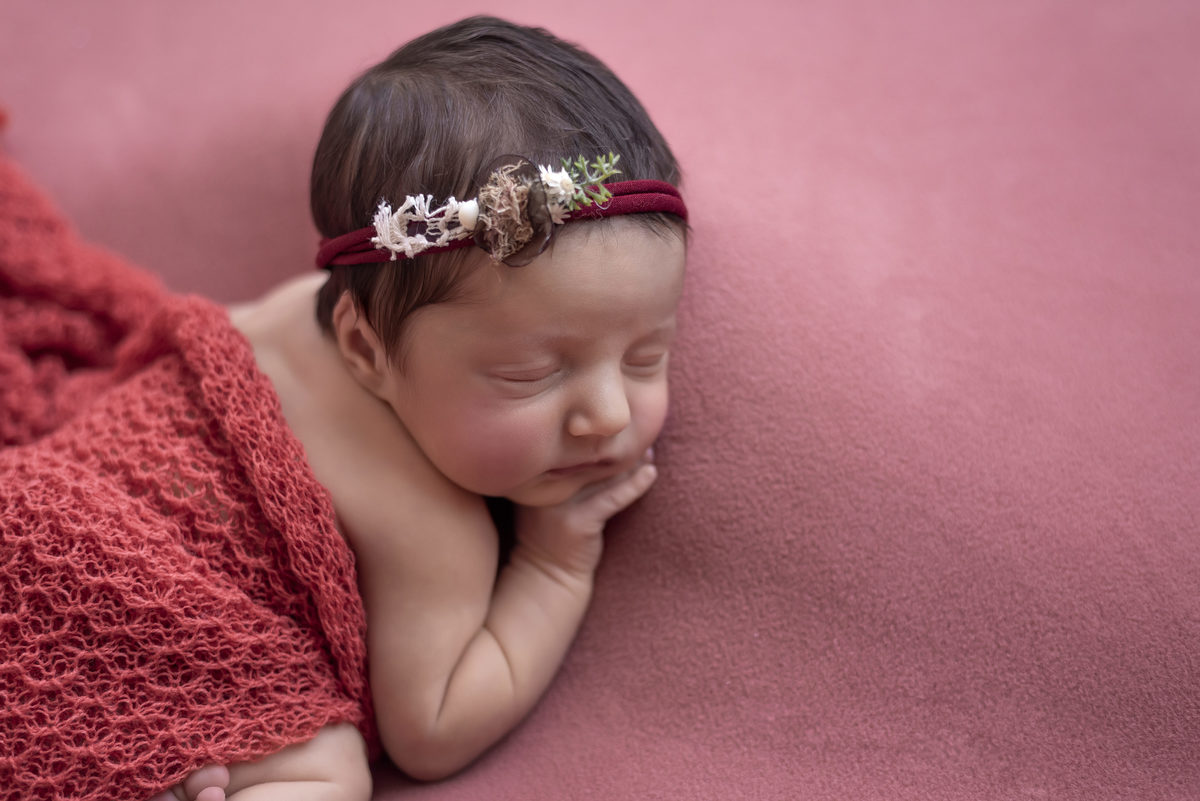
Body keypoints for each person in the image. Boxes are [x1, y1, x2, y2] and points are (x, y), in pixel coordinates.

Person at [154, 14, 688, 801]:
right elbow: (430, 730)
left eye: (646, 356)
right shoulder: (432, 524)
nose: (608, 413)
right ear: (365, 347)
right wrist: (553, 562)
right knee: (326, 766)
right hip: (137, 589)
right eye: (531, 373)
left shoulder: (290, 309)